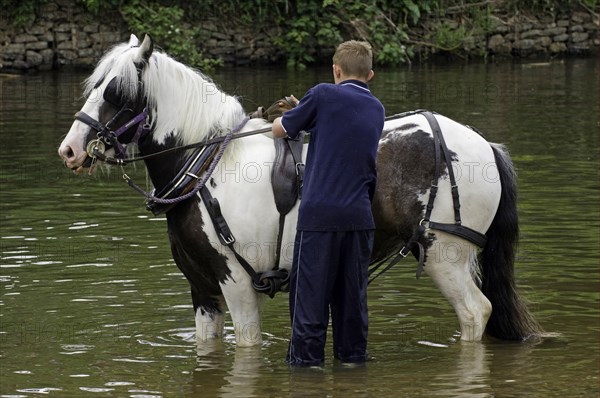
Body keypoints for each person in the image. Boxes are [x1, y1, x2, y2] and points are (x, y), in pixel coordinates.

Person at [272, 40, 385, 367]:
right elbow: (342, 126)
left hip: (320, 218)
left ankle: (306, 374)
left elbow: (280, 129)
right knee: (352, 305)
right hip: (360, 219)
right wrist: (306, 108)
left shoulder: (321, 94)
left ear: (336, 70)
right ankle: (352, 369)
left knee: (309, 304)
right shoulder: (376, 108)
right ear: (371, 74)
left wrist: (296, 112)